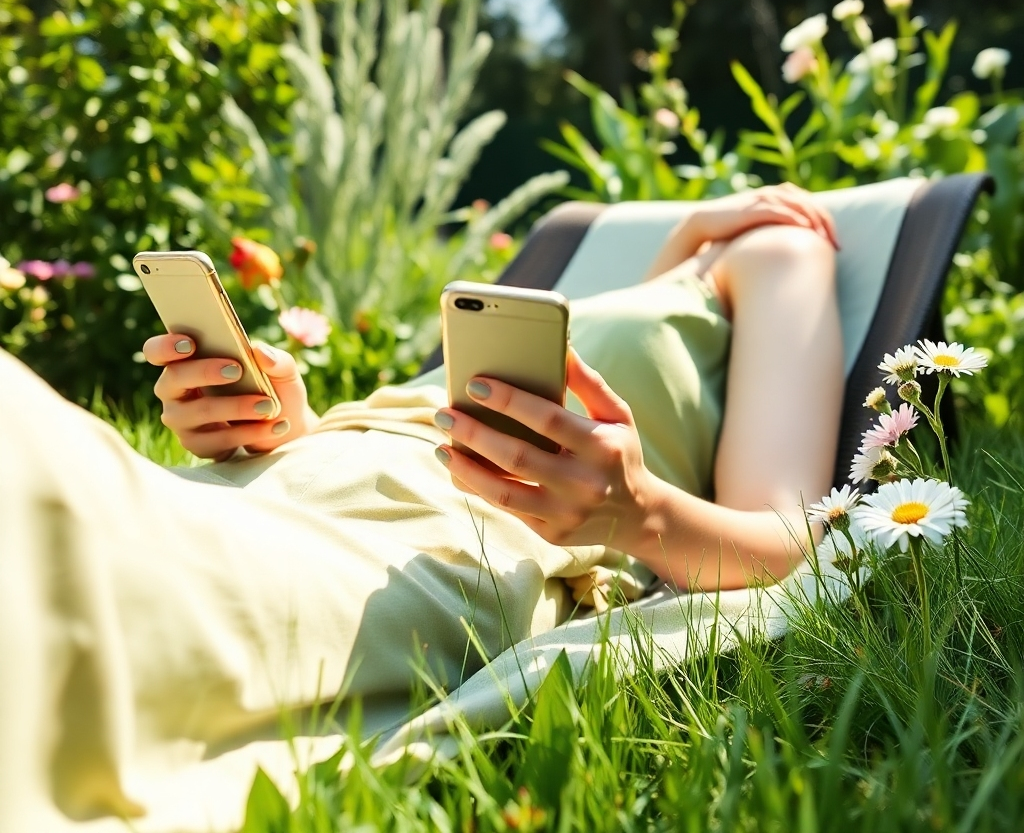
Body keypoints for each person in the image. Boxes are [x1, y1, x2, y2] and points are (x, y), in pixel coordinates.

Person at [0, 184, 841, 829]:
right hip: (304, 475)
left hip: (450, 533)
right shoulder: (639, 283)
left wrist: (638, 512)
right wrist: (286, 428)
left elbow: (792, 542)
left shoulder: (782, 252)